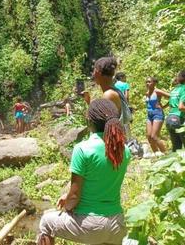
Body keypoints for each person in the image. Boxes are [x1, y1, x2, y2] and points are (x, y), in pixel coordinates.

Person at [37, 99, 130, 245]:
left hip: (91, 225)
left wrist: (68, 206)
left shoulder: (83, 149)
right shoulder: (124, 150)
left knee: (46, 222)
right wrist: (67, 197)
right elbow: (101, 182)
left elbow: (74, 196)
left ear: (89, 121)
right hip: (117, 224)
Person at [83, 57, 132, 135]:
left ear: (97, 72)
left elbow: (102, 124)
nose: (93, 74)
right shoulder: (113, 90)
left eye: (94, 71)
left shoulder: (109, 95)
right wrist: (89, 102)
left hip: (115, 143)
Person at [166, 70, 185, 151]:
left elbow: (172, 104)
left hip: (169, 119)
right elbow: (181, 107)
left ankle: (174, 163)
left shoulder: (175, 89)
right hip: (180, 119)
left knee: (176, 148)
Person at [145, 77, 169, 156]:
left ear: (154, 83)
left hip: (157, 114)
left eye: (149, 82)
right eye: (146, 82)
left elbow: (171, 97)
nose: (147, 83)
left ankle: (166, 154)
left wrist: (164, 106)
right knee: (149, 136)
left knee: (154, 136)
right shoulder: (147, 92)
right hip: (149, 115)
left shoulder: (157, 91)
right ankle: (156, 154)